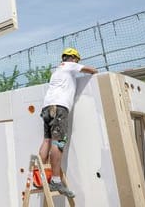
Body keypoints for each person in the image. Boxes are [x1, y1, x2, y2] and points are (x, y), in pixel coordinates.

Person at [38, 47, 97, 198]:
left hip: (46, 107)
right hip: (59, 107)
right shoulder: (70, 65)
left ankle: (39, 176)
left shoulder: (56, 71)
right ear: (72, 58)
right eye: (77, 60)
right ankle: (56, 180)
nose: (78, 62)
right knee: (58, 143)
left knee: (47, 140)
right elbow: (92, 70)